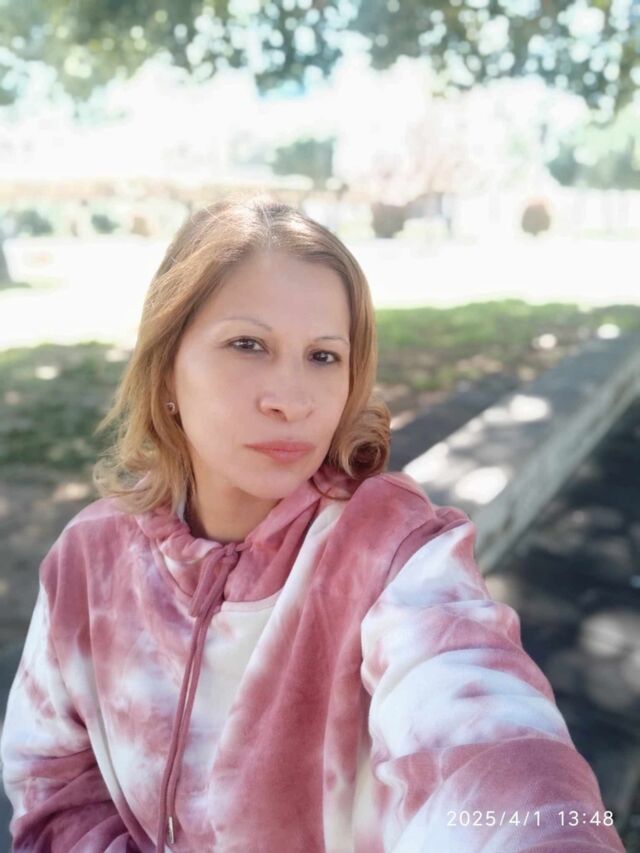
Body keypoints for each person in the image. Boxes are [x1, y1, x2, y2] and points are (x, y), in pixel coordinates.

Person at [0, 196, 624, 853]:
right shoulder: (88, 559)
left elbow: (490, 742)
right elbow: (53, 783)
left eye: (323, 356)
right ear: (166, 373)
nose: (292, 400)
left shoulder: (391, 553)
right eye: (247, 345)